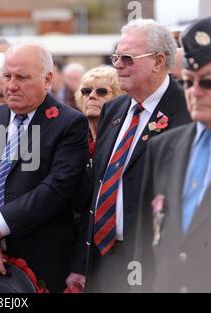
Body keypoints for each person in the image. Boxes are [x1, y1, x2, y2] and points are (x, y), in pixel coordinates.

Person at [0, 42, 89, 292]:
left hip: (40, 258)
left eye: (22, 77)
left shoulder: (69, 124)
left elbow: (57, 188)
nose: (11, 86)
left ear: (47, 79)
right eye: (7, 76)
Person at [68, 19, 191, 293]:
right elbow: (98, 191)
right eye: (116, 57)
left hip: (153, 264)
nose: (118, 65)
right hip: (102, 259)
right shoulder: (114, 110)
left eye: (127, 58)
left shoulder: (186, 113)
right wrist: (81, 262)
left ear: (159, 61)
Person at [135, 17, 211, 293]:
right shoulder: (165, 147)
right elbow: (145, 239)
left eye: (207, 83)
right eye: (188, 83)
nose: (195, 93)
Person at [74, 65, 124, 158]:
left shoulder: (124, 137)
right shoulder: (73, 136)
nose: (92, 95)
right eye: (86, 91)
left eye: (101, 91)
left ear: (119, 97)